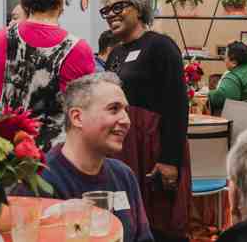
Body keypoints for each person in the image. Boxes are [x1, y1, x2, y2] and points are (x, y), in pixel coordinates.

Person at [102, 0, 190, 242]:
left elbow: (177, 105)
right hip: (126, 143)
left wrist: (169, 159)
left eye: (119, 6)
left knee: (160, 219)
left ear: (139, 8)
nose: (111, 14)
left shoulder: (161, 46)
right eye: (106, 11)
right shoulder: (116, 53)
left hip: (154, 145)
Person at [20, 72, 154, 242]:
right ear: (77, 117)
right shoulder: (39, 180)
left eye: (125, 111)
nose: (126, 120)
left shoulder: (123, 175)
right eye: (114, 109)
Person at [0, 0, 95, 150]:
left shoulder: (1, 39)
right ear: (60, 1)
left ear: (23, 1)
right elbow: (88, 114)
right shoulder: (78, 49)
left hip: (7, 155)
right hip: (59, 161)